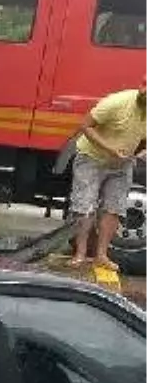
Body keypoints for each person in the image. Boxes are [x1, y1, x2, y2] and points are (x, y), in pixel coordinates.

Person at [68, 75, 147, 271]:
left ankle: (101, 255)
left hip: (122, 163)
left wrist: (136, 155)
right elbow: (85, 125)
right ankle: (80, 254)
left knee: (114, 209)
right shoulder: (116, 103)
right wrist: (110, 149)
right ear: (141, 87)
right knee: (85, 206)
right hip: (92, 158)